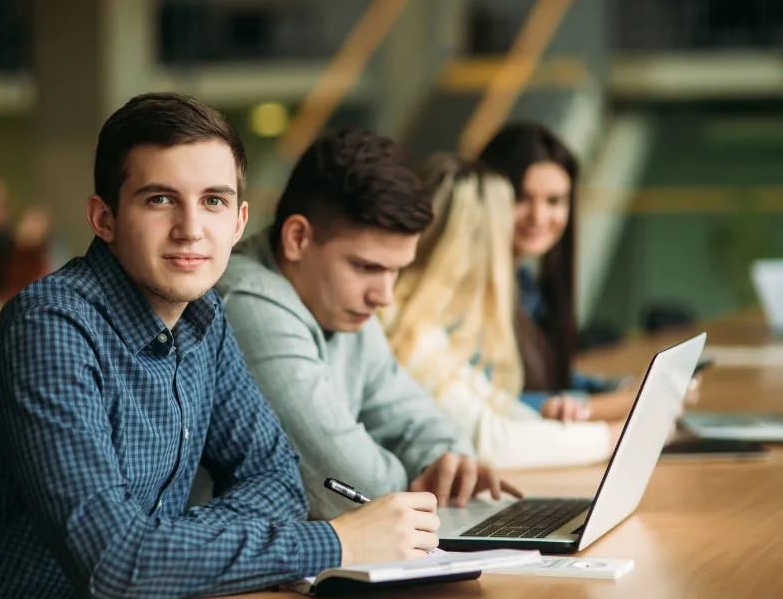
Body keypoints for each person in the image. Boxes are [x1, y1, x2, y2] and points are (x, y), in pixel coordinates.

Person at [0, 93, 444, 599]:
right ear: (105, 219)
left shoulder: (204, 316)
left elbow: (278, 480)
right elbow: (116, 566)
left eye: (213, 201)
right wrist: (335, 542)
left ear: (238, 222)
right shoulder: (51, 329)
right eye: (160, 199)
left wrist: (165, 547)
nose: (191, 229)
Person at [216, 128, 521, 521]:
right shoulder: (247, 302)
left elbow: (413, 415)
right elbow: (350, 488)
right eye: (366, 267)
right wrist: (423, 484)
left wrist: (446, 460)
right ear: (297, 238)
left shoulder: (340, 304)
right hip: (242, 578)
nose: (384, 296)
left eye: (396, 271)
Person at [382, 155, 620, 468]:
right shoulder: (403, 324)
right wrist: (613, 436)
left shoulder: (428, 321)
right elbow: (491, 442)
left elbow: (497, 409)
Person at [477, 122, 644, 423]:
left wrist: (619, 388)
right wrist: (616, 404)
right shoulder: (468, 288)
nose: (539, 216)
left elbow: (549, 376)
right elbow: (482, 400)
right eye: (521, 198)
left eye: (554, 201)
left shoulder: (525, 282)